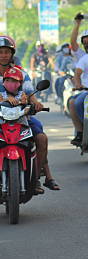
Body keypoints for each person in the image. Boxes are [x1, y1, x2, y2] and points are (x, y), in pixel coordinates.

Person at [0, 36, 60, 193]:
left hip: (21, 117)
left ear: (12, 54)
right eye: (0, 52)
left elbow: (30, 93)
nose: (3, 55)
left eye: (7, 52)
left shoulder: (21, 73)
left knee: (41, 138)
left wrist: (36, 103)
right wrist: (6, 98)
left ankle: (35, 179)